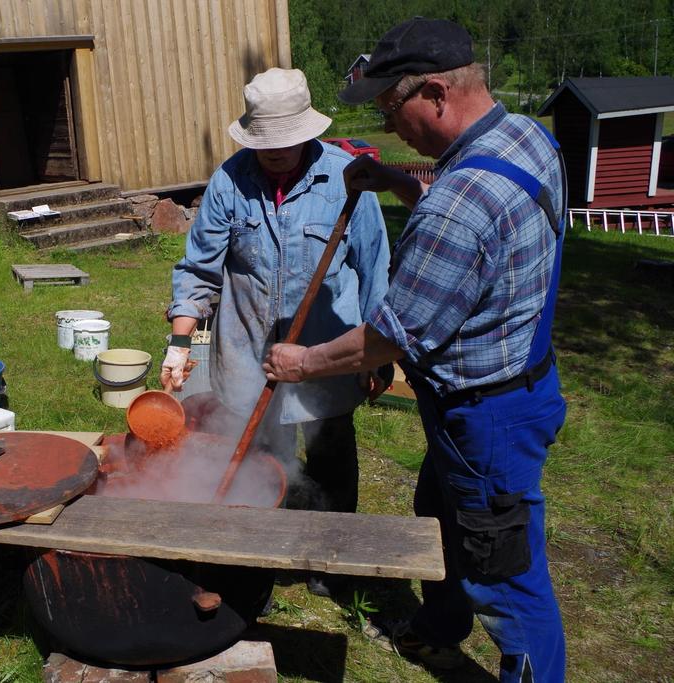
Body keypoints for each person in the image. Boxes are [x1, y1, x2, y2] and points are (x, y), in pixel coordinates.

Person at [262, 18, 568, 683]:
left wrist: (301, 362)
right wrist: (396, 181)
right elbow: (473, 194)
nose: (386, 125)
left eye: (388, 107)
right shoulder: (527, 137)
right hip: (520, 385)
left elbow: (386, 338)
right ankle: (436, 627)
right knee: (439, 513)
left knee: (507, 578)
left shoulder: (454, 213)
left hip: (484, 415)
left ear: (434, 92)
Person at [162, 67, 392, 596]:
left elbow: (375, 270)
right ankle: (258, 561)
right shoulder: (230, 181)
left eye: (287, 142)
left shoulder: (347, 180)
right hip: (247, 352)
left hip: (327, 351)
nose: (277, 152)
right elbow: (198, 271)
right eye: (267, 144)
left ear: (308, 131)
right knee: (260, 460)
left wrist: (377, 356)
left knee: (332, 452)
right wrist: (179, 344)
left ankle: (330, 564)